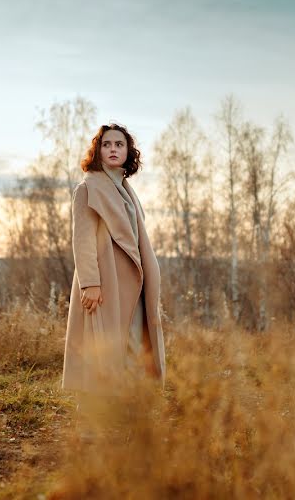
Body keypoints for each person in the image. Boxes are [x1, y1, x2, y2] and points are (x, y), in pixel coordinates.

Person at [61, 123, 165, 397]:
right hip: (106, 283)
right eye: (106, 144)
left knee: (135, 343)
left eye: (119, 144)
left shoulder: (126, 189)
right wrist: (90, 284)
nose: (113, 149)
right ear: (98, 151)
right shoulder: (88, 189)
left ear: (128, 150)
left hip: (134, 282)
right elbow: (82, 240)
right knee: (103, 347)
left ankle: (128, 412)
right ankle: (93, 420)